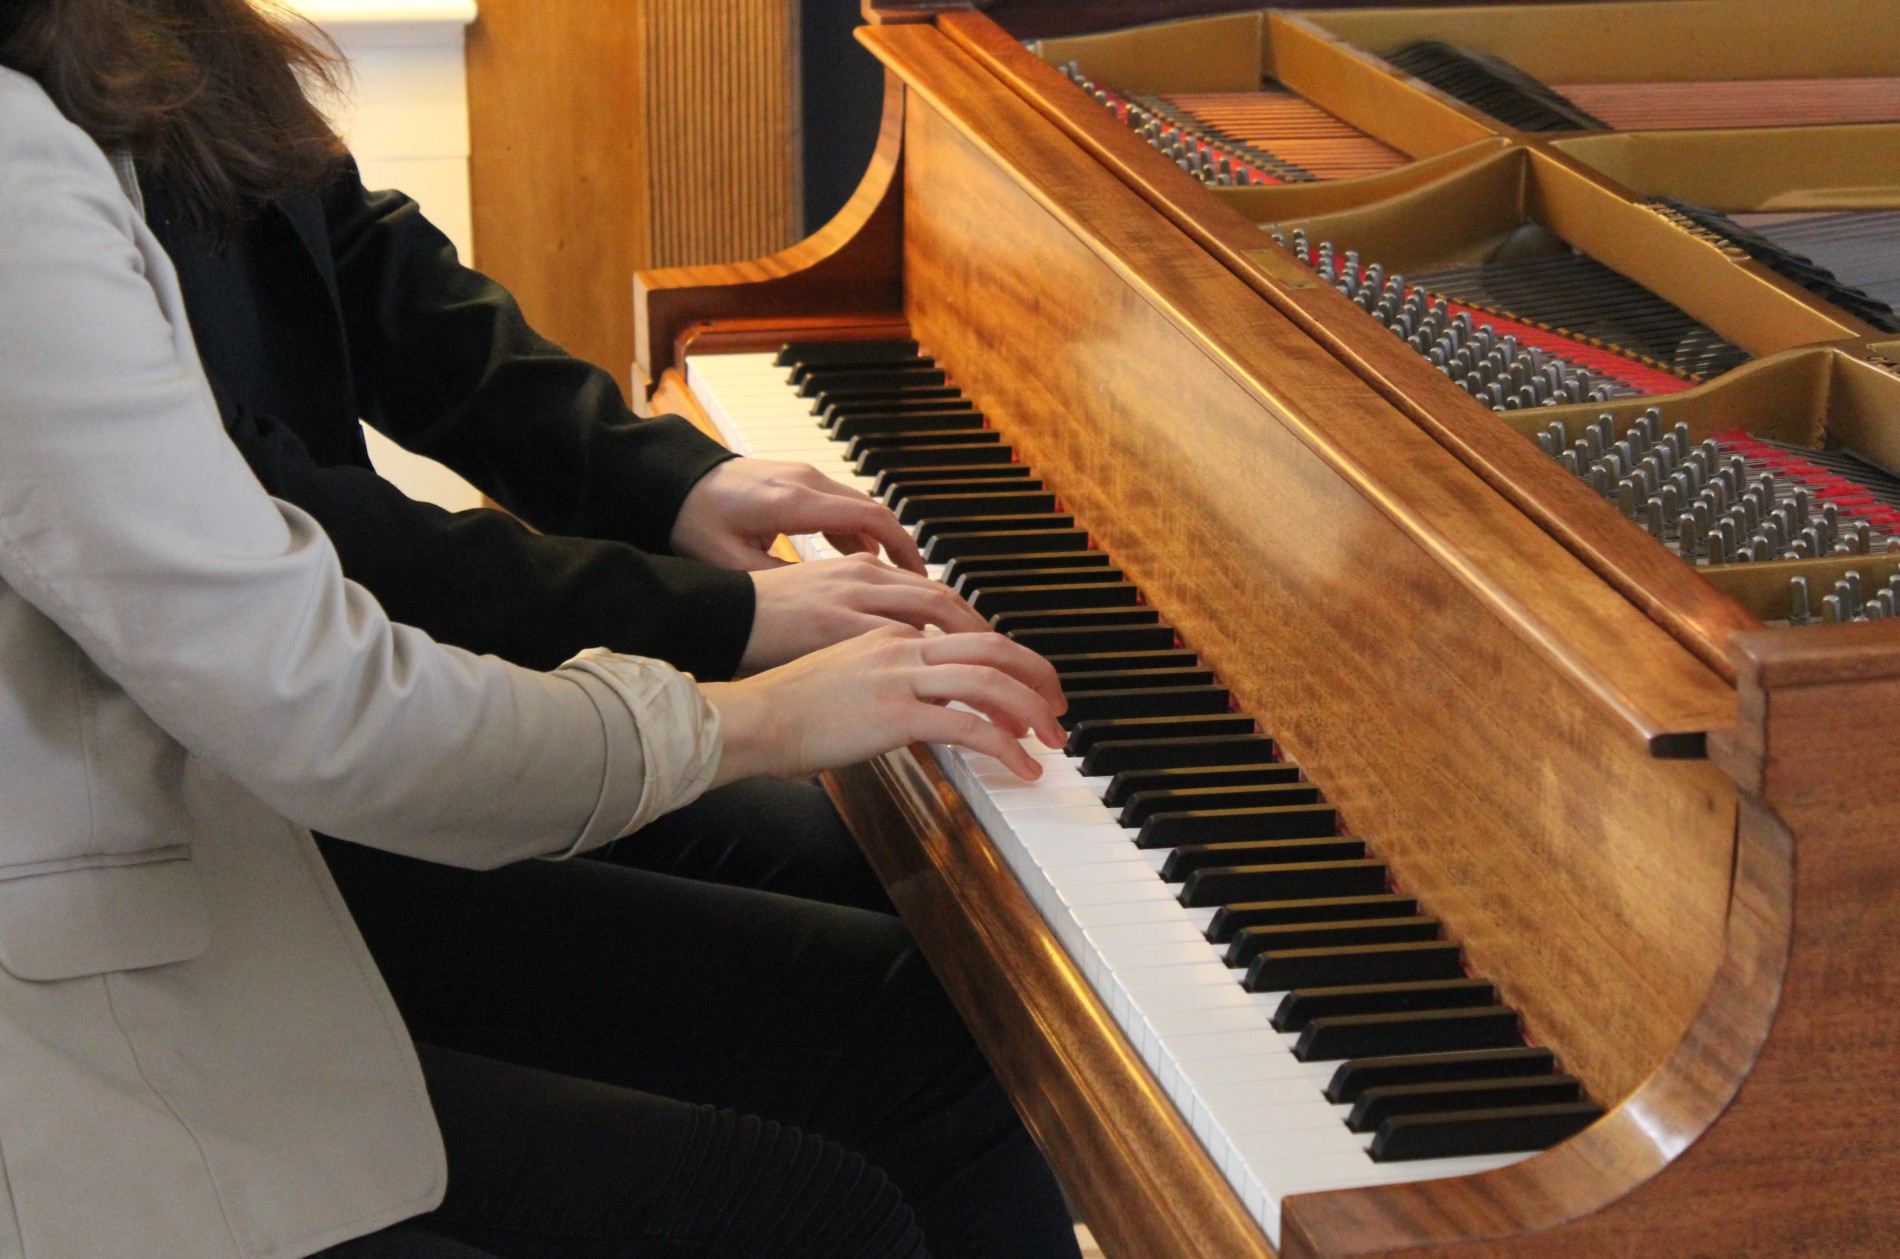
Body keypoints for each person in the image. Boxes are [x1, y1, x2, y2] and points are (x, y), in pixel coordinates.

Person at [0, 2, 1087, 1256]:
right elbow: (293, 619)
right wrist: (746, 683)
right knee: (819, 1183)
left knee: (901, 948)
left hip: (228, 784)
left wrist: (658, 483)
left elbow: (342, 244)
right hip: (164, 905)